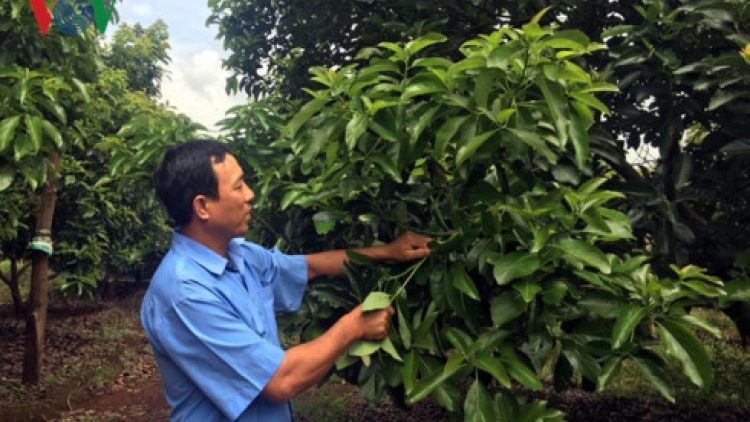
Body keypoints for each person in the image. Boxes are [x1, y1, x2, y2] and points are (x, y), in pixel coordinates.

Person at [140, 139, 431, 422]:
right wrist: (354, 327)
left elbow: (311, 267)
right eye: (239, 186)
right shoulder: (184, 293)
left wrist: (389, 252)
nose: (250, 194)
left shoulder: (242, 256)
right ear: (203, 207)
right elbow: (281, 381)